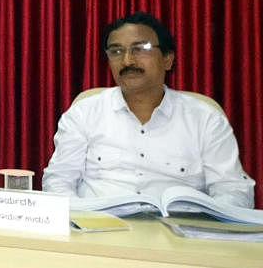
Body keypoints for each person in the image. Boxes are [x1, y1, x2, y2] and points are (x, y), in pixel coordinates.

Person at [43, 12, 255, 207]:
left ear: (167, 59)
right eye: (116, 51)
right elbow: (59, 180)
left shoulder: (205, 119)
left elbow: (233, 189)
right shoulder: (84, 112)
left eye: (140, 49)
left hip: (179, 237)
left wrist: (207, 229)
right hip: (99, 234)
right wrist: (79, 222)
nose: (127, 60)